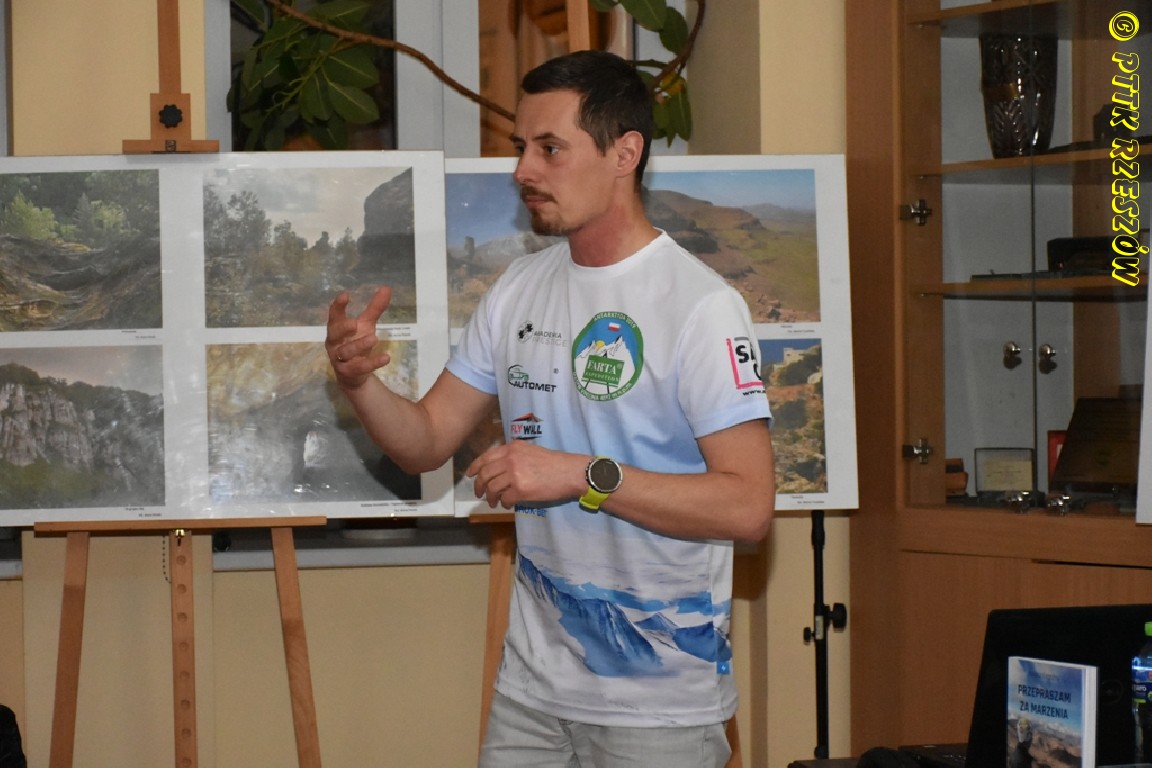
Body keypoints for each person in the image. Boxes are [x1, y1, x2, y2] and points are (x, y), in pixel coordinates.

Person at [326, 49, 775, 767]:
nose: (522, 170)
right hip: (531, 694)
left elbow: (748, 507)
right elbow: (425, 441)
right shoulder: (518, 287)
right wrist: (359, 384)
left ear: (624, 153)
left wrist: (579, 474)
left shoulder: (701, 306)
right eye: (520, 147)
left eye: (549, 149)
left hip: (658, 708)